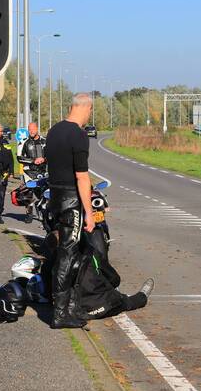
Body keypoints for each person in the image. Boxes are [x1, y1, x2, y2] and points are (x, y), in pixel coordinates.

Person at [44, 94, 153, 328]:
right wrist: (89, 213)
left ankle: (71, 307)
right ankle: (60, 314)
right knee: (67, 255)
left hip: (55, 199)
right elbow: (82, 177)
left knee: (68, 253)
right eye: (91, 111)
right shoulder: (78, 135)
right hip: (71, 202)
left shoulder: (53, 131)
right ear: (87, 108)